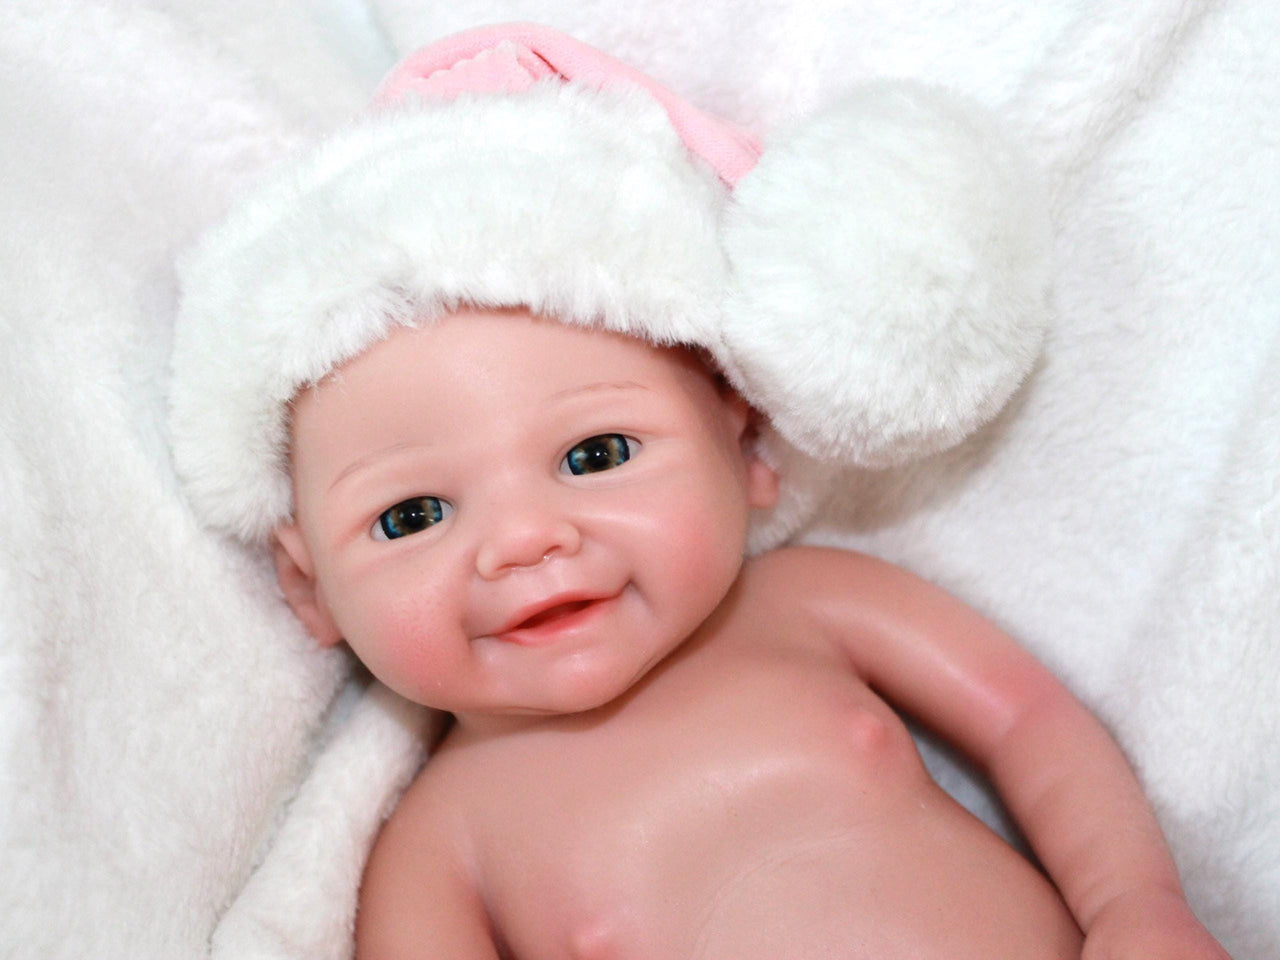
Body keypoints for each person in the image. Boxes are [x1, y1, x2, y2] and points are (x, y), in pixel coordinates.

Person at [168, 23, 1232, 960]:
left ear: (745, 443)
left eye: (595, 455)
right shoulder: (440, 844)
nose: (525, 542)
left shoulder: (810, 605)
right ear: (306, 586)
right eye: (412, 517)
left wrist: (1133, 905)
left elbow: (1032, 722)